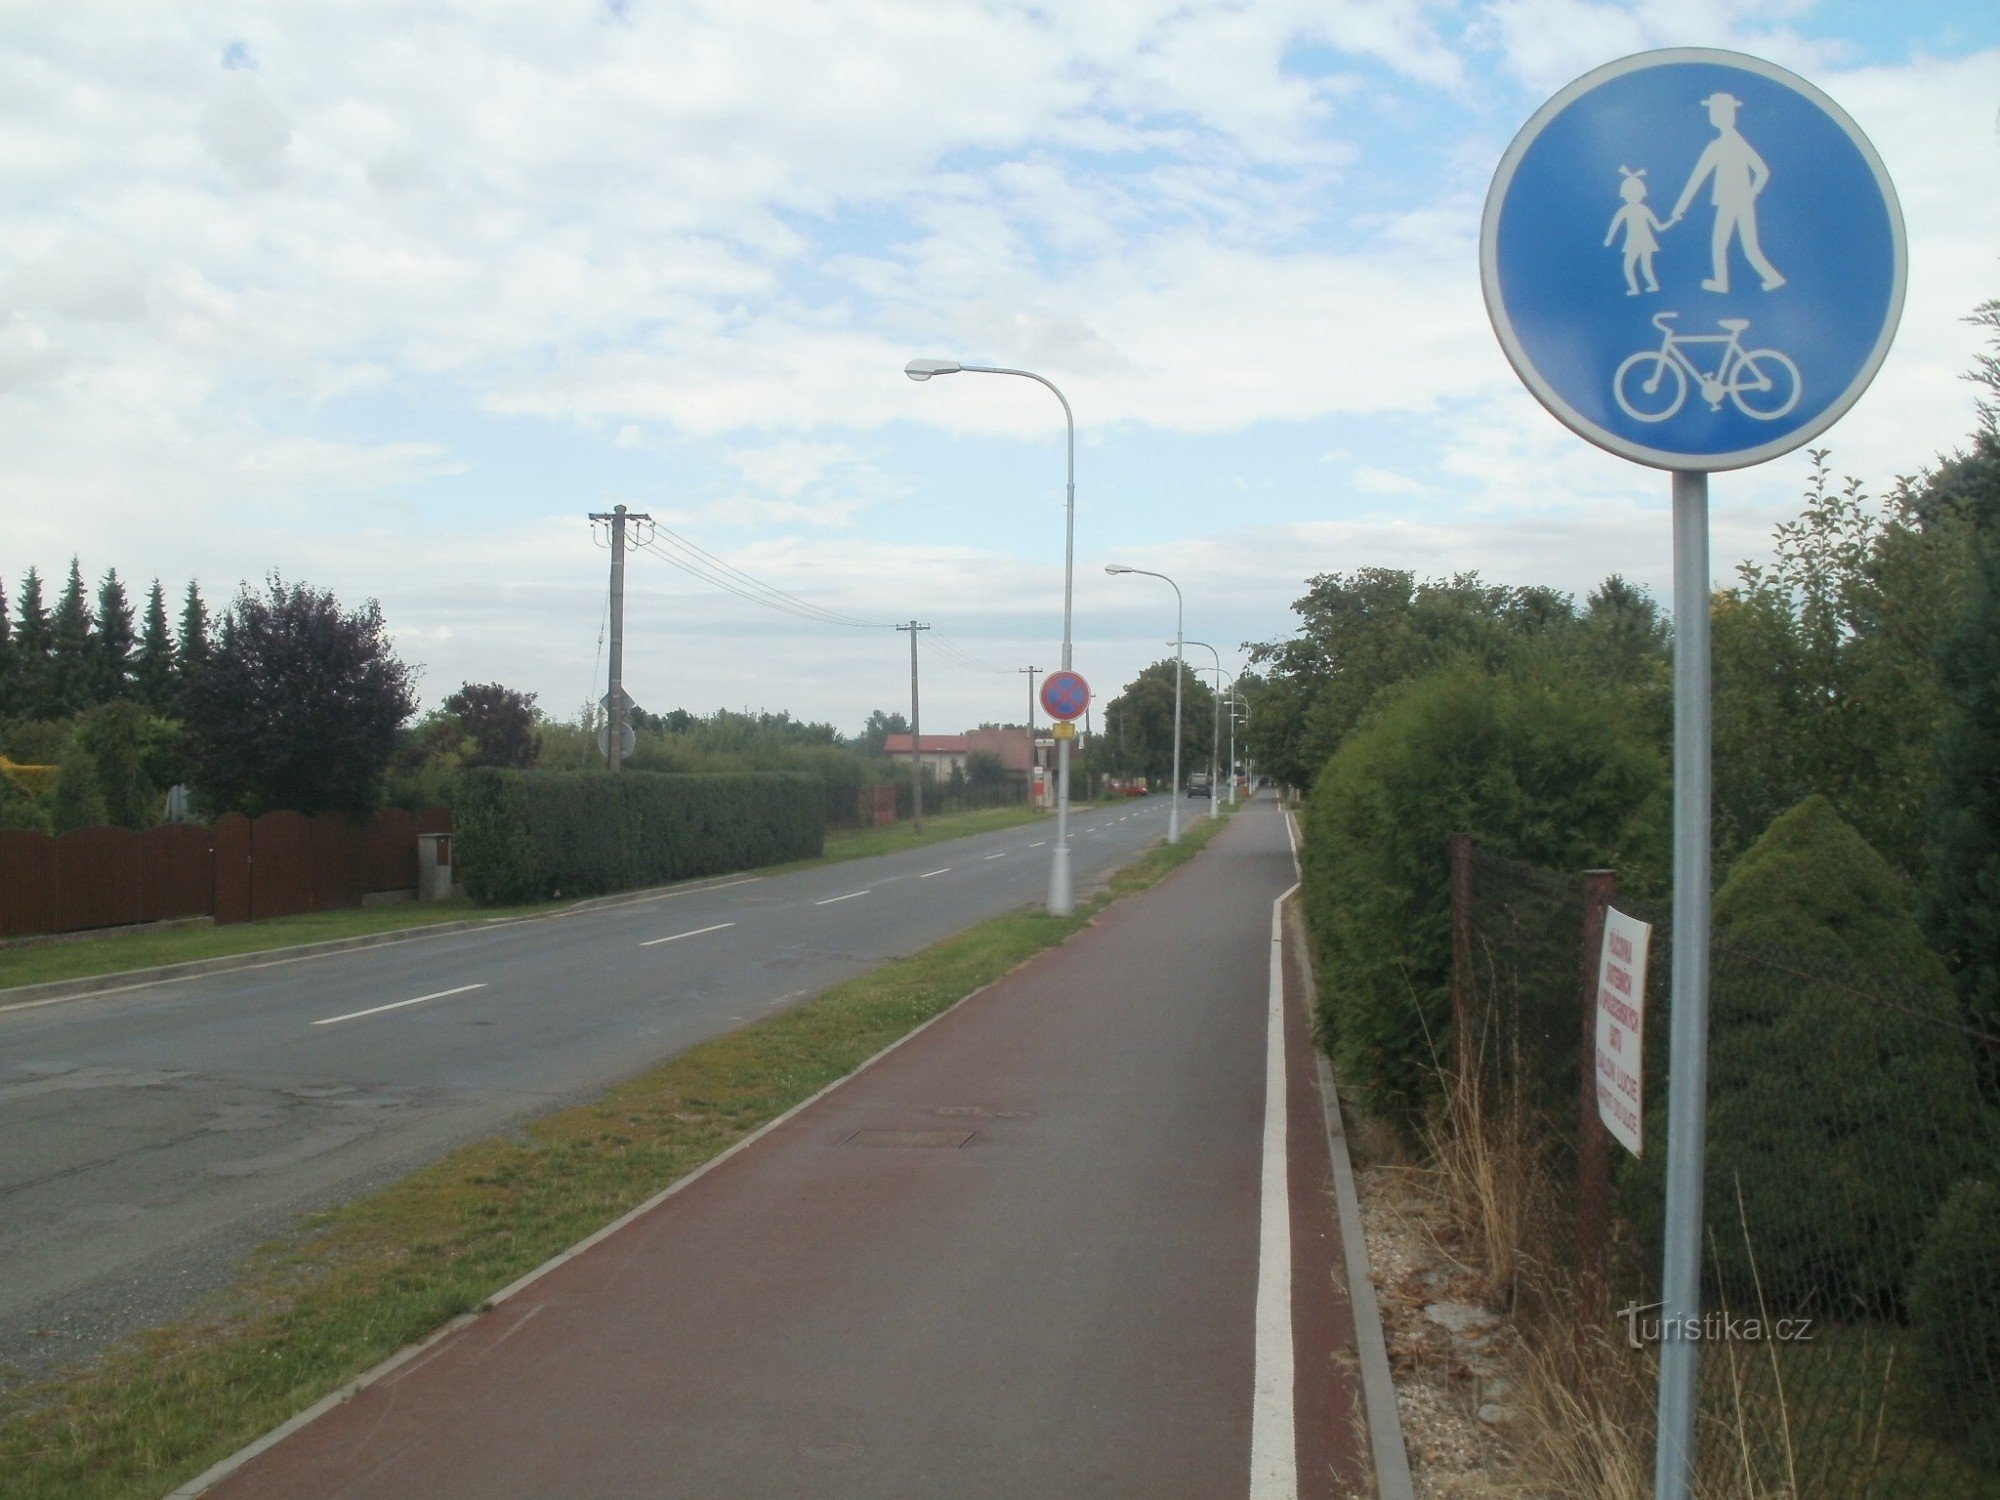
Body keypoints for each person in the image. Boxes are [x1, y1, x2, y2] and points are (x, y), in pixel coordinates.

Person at [1666, 91, 1785, 293]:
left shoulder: (1720, 145)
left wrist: (1679, 209)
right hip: (1741, 201)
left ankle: (1724, 283)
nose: (1713, 115)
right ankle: (1770, 278)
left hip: (1731, 202)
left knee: (1722, 243)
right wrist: (1751, 193)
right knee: (1748, 246)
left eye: (1716, 111)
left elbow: (1697, 180)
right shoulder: (1735, 141)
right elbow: (1761, 171)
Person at [1604, 166, 1666, 295]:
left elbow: (1658, 227)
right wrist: (1609, 238)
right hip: (1640, 241)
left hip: (1637, 242)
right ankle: (1643, 287)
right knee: (1638, 266)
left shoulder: (1631, 209)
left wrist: (1609, 239)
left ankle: (1641, 288)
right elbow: (1615, 225)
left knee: (1633, 267)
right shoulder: (1634, 209)